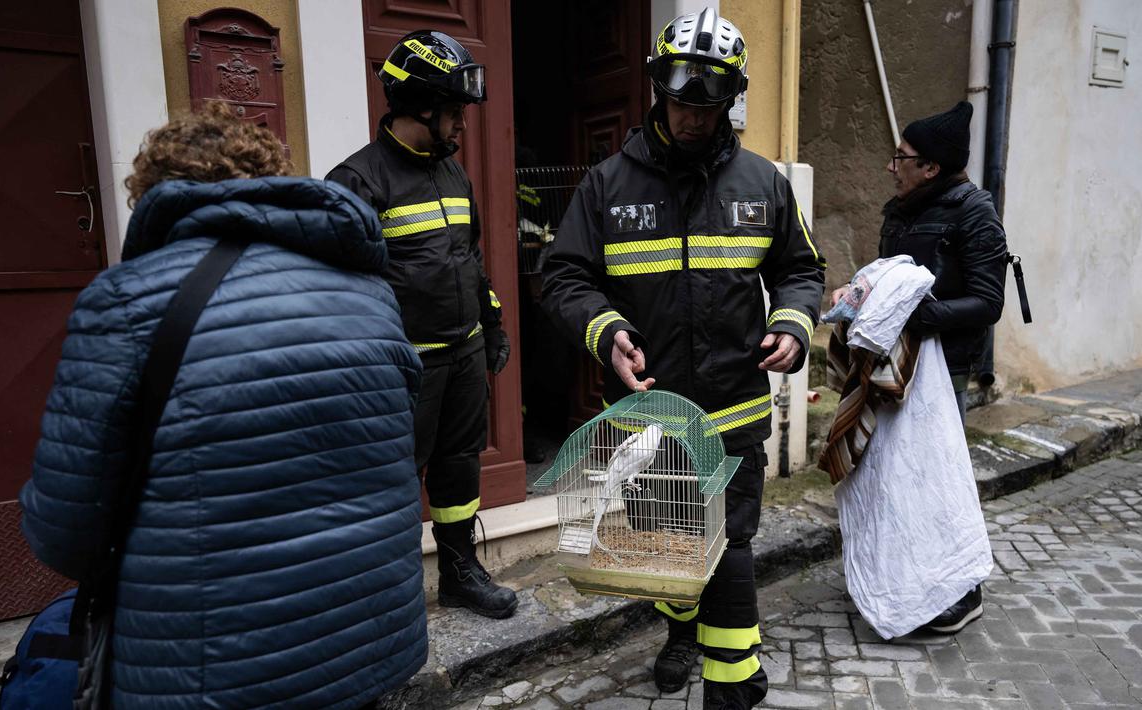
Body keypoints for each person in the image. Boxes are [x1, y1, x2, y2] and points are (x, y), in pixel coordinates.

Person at [19, 104, 426, 709]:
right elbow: (389, 456)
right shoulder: (370, 293)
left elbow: (64, 532)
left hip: (213, 668)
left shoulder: (126, 301)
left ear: (154, 192)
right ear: (266, 178)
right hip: (366, 643)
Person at [540, 9, 826, 708]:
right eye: (679, 103)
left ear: (729, 100)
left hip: (734, 414)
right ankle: (678, 634)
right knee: (666, 545)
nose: (693, 119)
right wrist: (605, 332)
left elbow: (801, 270)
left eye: (707, 106)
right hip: (648, 418)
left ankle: (732, 685)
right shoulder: (607, 184)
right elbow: (562, 276)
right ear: (658, 93)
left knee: (729, 548)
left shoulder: (763, 184)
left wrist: (792, 323)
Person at [325, 31, 518, 619]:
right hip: (402, 367)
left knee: (459, 466)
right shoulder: (355, 183)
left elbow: (470, 257)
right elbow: (342, 290)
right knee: (392, 479)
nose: (462, 125)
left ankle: (460, 571)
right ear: (420, 107)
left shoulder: (453, 174)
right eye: (454, 112)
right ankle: (391, 591)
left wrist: (491, 324)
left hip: (464, 353)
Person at [829, 100, 1007, 633]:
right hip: (891, 365)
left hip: (941, 368)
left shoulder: (974, 212)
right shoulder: (900, 209)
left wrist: (914, 314)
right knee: (895, 477)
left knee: (937, 477)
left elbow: (987, 302)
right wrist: (861, 296)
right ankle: (908, 576)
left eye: (900, 157)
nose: (891, 165)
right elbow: (888, 277)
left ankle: (963, 589)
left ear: (930, 166)